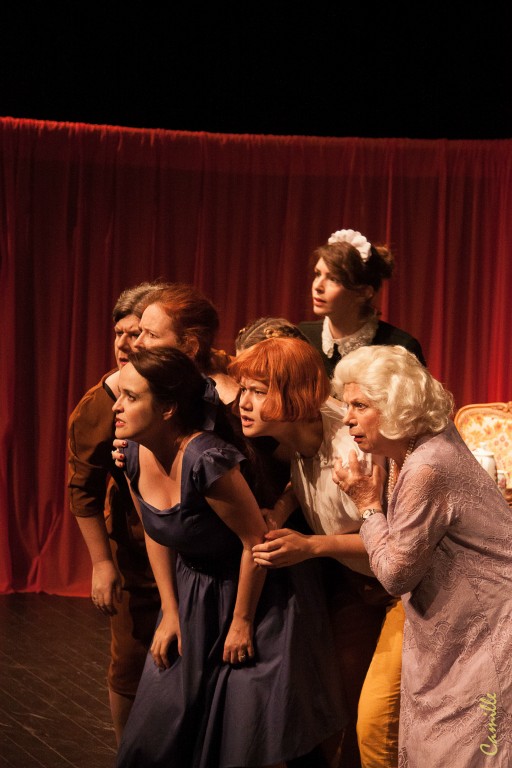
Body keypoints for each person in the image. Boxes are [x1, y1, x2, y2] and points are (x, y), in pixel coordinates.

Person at [112, 347, 345, 768]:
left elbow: (255, 543)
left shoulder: (207, 461)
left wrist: (241, 622)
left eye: (130, 397)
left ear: (167, 408)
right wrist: (170, 610)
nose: (117, 406)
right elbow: (157, 533)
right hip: (193, 591)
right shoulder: (130, 452)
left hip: (258, 592)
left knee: (250, 727)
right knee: (161, 722)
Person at [332, 344, 512, 768]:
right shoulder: (416, 449)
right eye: (347, 405)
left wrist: (368, 506)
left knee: (469, 752)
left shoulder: (428, 466)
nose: (347, 418)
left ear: (396, 405)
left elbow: (395, 575)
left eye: (360, 405)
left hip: (486, 636)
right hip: (456, 633)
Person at [228, 337, 389, 768]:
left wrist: (311, 546)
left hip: (391, 588)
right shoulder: (300, 435)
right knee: (333, 696)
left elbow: (391, 544)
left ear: (293, 395)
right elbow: (306, 478)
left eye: (257, 391)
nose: (244, 403)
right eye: (243, 389)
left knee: (364, 710)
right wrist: (283, 507)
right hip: (351, 579)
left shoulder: (351, 450)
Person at [68, 280, 166, 744]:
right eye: (120, 334)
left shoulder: (186, 387)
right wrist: (102, 564)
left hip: (191, 547)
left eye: (138, 333)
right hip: (136, 550)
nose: (126, 344)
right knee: (130, 659)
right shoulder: (103, 402)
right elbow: (82, 490)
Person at [298, 227, 426, 379]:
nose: (318, 286)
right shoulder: (302, 336)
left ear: (364, 292)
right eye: (318, 274)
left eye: (334, 279)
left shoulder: (401, 347)